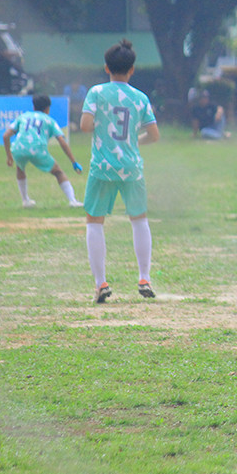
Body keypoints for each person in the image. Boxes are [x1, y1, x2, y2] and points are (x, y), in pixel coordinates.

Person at [80, 39, 160, 304]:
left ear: (106, 68)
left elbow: (85, 125)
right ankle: (144, 277)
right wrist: (133, 140)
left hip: (102, 167)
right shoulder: (140, 98)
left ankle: (101, 283)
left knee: (94, 222)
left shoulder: (97, 92)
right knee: (139, 220)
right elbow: (154, 135)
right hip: (131, 168)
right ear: (132, 70)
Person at [2, 93, 84, 208]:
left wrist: (9, 156)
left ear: (33, 106)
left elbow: (6, 136)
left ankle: (25, 201)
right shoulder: (49, 120)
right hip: (37, 148)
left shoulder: (23, 116)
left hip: (18, 148)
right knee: (58, 172)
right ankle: (72, 200)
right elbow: (62, 141)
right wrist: (73, 162)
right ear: (47, 108)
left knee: (20, 168)